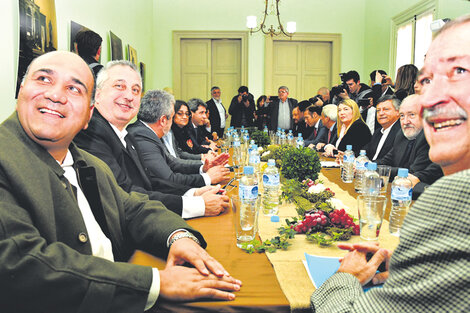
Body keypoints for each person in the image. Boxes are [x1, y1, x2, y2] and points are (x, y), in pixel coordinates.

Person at [0, 51, 241, 312]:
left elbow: (131, 207)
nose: (56, 95)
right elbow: (21, 264)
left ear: (87, 115)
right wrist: (155, 283)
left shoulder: (86, 162)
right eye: (44, 79)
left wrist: (178, 236)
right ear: (21, 91)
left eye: (74, 88)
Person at [311, 15, 470, 313]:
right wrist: (410, 263)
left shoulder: (457, 194)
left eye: (459, 71)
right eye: (427, 81)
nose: (430, 98)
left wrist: (346, 277)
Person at [74, 60, 228, 218]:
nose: (128, 96)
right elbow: (124, 194)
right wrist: (197, 204)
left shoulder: (124, 134)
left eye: (135, 90)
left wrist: (193, 192)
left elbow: (149, 181)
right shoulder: (91, 131)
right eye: (119, 86)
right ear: (97, 94)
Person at [127, 89, 230, 189]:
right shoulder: (142, 136)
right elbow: (168, 179)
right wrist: (207, 178)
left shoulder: (147, 132)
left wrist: (203, 167)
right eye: (173, 117)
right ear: (163, 120)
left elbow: (173, 162)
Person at [377, 94, 443, 198]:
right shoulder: (402, 135)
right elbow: (385, 161)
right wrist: (366, 165)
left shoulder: (428, 137)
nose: (405, 122)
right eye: (402, 116)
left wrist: (378, 170)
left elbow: (411, 174)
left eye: (411, 115)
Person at [363, 94, 401, 161]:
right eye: (378, 110)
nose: (381, 113)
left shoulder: (400, 132)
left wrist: (368, 165)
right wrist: (351, 156)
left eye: (386, 109)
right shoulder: (378, 132)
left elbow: (390, 160)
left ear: (398, 112)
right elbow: (366, 150)